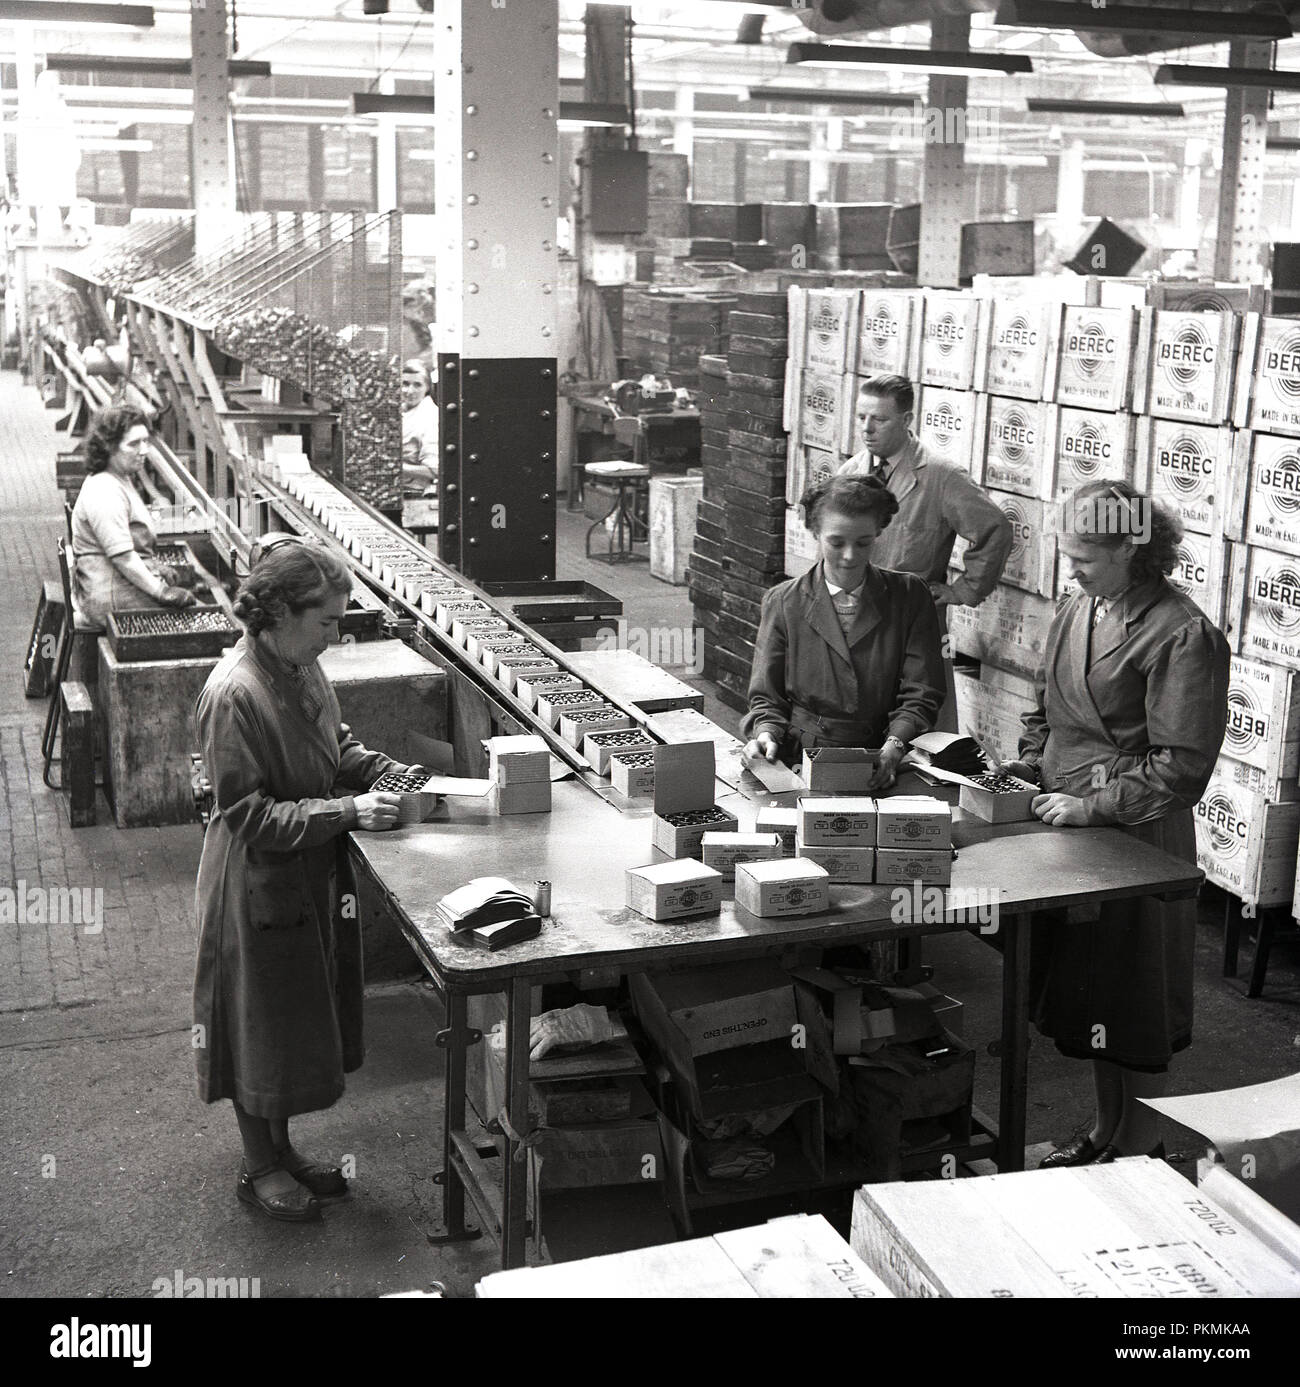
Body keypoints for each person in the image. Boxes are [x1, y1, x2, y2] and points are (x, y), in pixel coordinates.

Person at [193, 537, 428, 1222]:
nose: (335, 632)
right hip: (253, 884)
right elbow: (247, 814)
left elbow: (335, 743)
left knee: (290, 1021)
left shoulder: (299, 666)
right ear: (280, 613)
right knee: (254, 1025)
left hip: (303, 875)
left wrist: (374, 768)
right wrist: (348, 809)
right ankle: (258, 1165)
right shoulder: (233, 693)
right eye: (326, 619)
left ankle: (283, 1149)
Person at [1001, 480, 1230, 1166]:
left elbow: (1181, 766)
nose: (1070, 570)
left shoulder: (1183, 633)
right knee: (1091, 993)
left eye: (1085, 558)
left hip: (1136, 834)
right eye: (1068, 556)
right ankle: (1106, 1132)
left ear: (1135, 549)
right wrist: (1029, 765)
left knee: (1134, 995)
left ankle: (1142, 1148)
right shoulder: (1080, 607)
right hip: (1066, 823)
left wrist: (1094, 804)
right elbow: (1044, 706)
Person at [742, 473, 946, 790]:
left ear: (879, 532)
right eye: (836, 543)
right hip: (800, 757)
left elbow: (923, 691)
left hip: (882, 755)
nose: (850, 556)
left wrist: (896, 744)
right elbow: (767, 697)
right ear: (814, 532)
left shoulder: (909, 596)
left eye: (863, 543)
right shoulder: (784, 602)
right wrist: (765, 734)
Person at [836, 373, 1012, 730]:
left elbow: (995, 530)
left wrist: (962, 590)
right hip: (856, 618)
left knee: (922, 725)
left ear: (907, 420)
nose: (867, 428)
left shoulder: (940, 475)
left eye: (880, 419)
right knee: (860, 720)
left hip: (916, 622)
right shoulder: (849, 473)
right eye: (861, 417)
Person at [70, 405, 196, 629]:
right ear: (108, 447)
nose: (144, 450)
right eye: (134, 443)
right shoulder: (104, 490)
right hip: (108, 598)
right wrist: (161, 591)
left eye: (145, 441)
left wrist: (155, 567)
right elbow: (123, 558)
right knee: (194, 620)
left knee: (196, 605)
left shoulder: (120, 478)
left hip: (113, 585)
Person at [400, 357, 439, 501]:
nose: (409, 391)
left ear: (427, 387)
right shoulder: (399, 409)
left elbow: (435, 471)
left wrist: (395, 468)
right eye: (405, 384)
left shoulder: (430, 416)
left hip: (414, 495)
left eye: (417, 385)